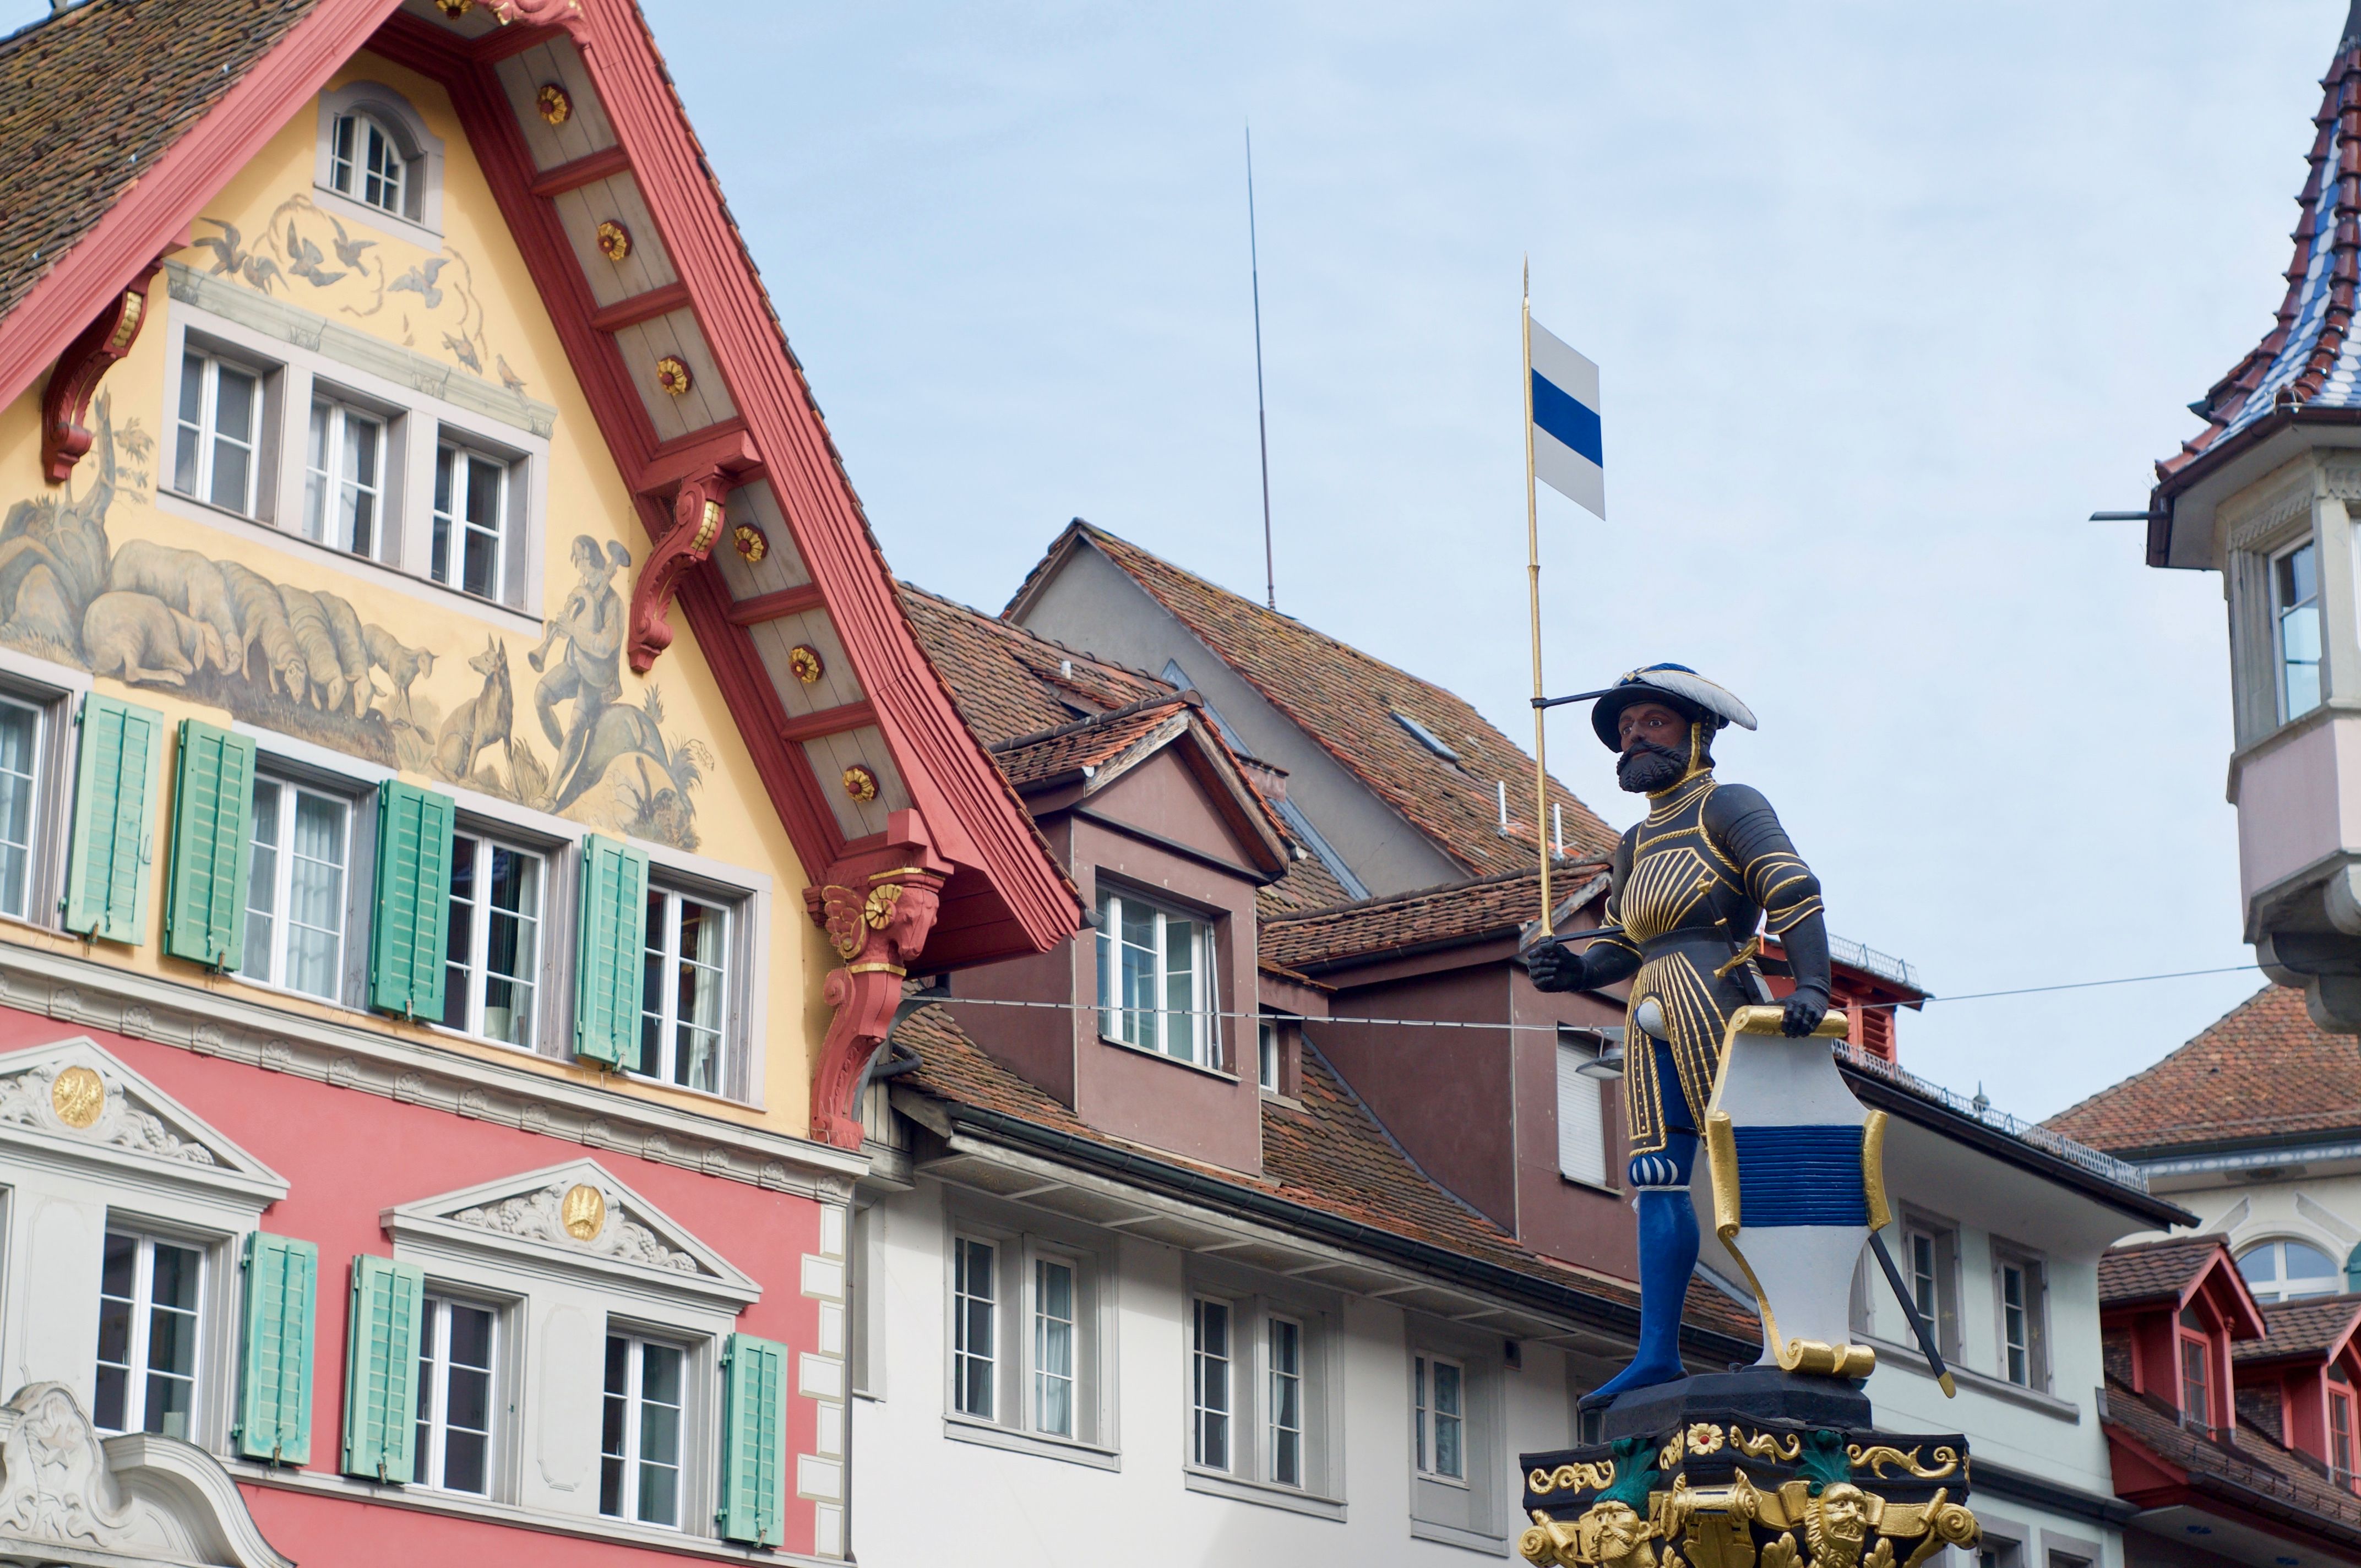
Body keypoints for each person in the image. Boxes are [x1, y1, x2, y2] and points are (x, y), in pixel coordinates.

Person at [1525, 662, 1832, 1405]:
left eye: (1651, 723)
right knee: (1657, 1177)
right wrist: (1572, 972)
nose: (1633, 740)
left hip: (1719, 995)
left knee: (1745, 1166)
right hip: (1650, 1002)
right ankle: (1657, 1350)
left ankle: (1784, 1335)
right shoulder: (1632, 842)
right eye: (1626, 730)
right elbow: (1624, 943)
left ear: (1698, 732)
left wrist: (1813, 984)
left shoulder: (1729, 806)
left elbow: (1790, 889)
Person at [529, 536, 629, 793]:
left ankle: (551, 792)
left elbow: (605, 645)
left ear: (598, 561)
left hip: (597, 676)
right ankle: (563, 750)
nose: (582, 566)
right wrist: (559, 629)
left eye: (587, 559)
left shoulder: (613, 604)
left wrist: (573, 628)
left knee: (576, 725)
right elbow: (573, 629)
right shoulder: (584, 593)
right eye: (579, 559)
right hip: (576, 664)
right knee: (541, 694)